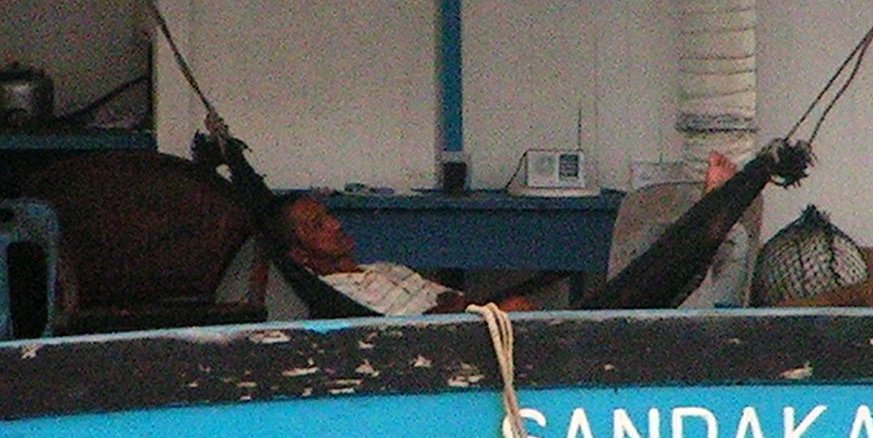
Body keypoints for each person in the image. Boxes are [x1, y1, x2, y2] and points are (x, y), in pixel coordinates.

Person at [274, 151, 738, 316]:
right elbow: (416, 332)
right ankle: (710, 214)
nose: (335, 224)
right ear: (299, 257)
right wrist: (493, 310)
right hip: (463, 338)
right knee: (622, 299)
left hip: (470, 317)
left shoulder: (382, 269)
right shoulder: (337, 298)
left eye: (329, 215)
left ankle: (708, 217)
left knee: (630, 288)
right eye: (318, 226)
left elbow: (443, 299)